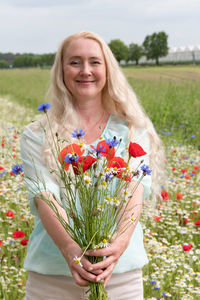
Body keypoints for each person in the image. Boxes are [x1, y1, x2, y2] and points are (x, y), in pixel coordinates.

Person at [21, 31, 165, 300]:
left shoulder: (133, 130)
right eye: (75, 62)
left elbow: (135, 190)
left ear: (108, 69)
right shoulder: (38, 135)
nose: (85, 70)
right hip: (52, 279)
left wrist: (118, 247)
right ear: (61, 70)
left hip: (119, 275)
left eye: (94, 62)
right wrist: (70, 249)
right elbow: (44, 195)